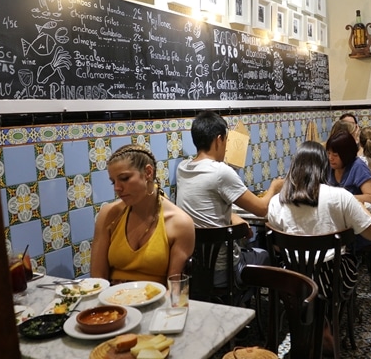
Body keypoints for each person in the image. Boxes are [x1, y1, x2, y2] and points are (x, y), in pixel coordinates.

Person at [266, 141, 371, 354]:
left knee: (306, 279)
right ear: (323, 166)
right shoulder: (340, 196)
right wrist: (362, 209)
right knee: (345, 264)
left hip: (290, 280)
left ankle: (314, 327)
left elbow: (277, 248)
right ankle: (324, 325)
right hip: (332, 279)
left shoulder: (276, 201)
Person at [175, 110, 283, 287]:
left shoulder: (183, 168)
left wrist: (234, 217)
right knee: (264, 254)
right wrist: (275, 187)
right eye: (226, 140)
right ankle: (261, 312)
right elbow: (262, 208)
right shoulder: (221, 172)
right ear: (219, 139)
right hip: (224, 270)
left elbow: (205, 206)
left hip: (194, 269)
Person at [90, 144, 195, 286]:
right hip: (114, 302)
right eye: (113, 182)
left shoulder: (179, 223)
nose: (117, 188)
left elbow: (175, 289)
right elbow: (98, 279)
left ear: (148, 173)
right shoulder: (109, 214)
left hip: (157, 303)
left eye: (124, 178)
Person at [325, 130, 371, 205]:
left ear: (346, 154)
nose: (330, 158)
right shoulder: (329, 165)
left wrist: (342, 198)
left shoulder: (358, 166)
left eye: (335, 155)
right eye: (328, 153)